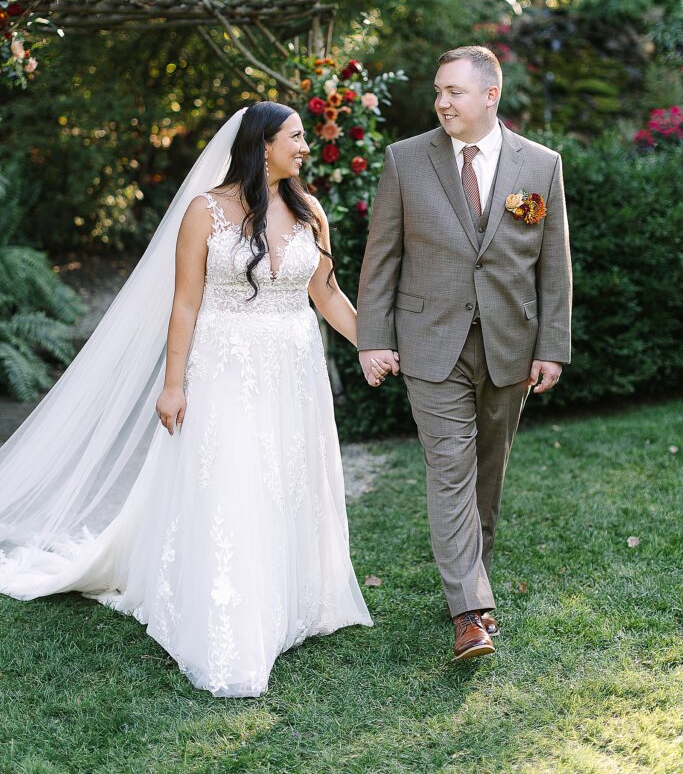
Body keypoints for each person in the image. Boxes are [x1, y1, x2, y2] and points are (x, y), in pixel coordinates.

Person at [0, 102, 383, 697]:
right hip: (224, 367)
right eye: (296, 137)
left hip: (293, 372)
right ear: (263, 146)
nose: (305, 147)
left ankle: (290, 601)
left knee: (286, 478)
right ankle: (229, 615)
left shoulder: (309, 211)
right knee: (232, 481)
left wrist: (373, 345)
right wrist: (172, 383)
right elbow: (183, 303)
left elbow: (327, 294)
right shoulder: (204, 212)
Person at [356, 45, 572, 661]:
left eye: (454, 91)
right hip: (431, 343)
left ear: (490, 96)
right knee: (450, 466)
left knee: (489, 467)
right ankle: (471, 612)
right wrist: (374, 337)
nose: (443, 102)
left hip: (511, 342)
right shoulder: (405, 160)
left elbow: (553, 266)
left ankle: (469, 570)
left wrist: (551, 346)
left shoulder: (541, 164)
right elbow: (382, 257)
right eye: (438, 91)